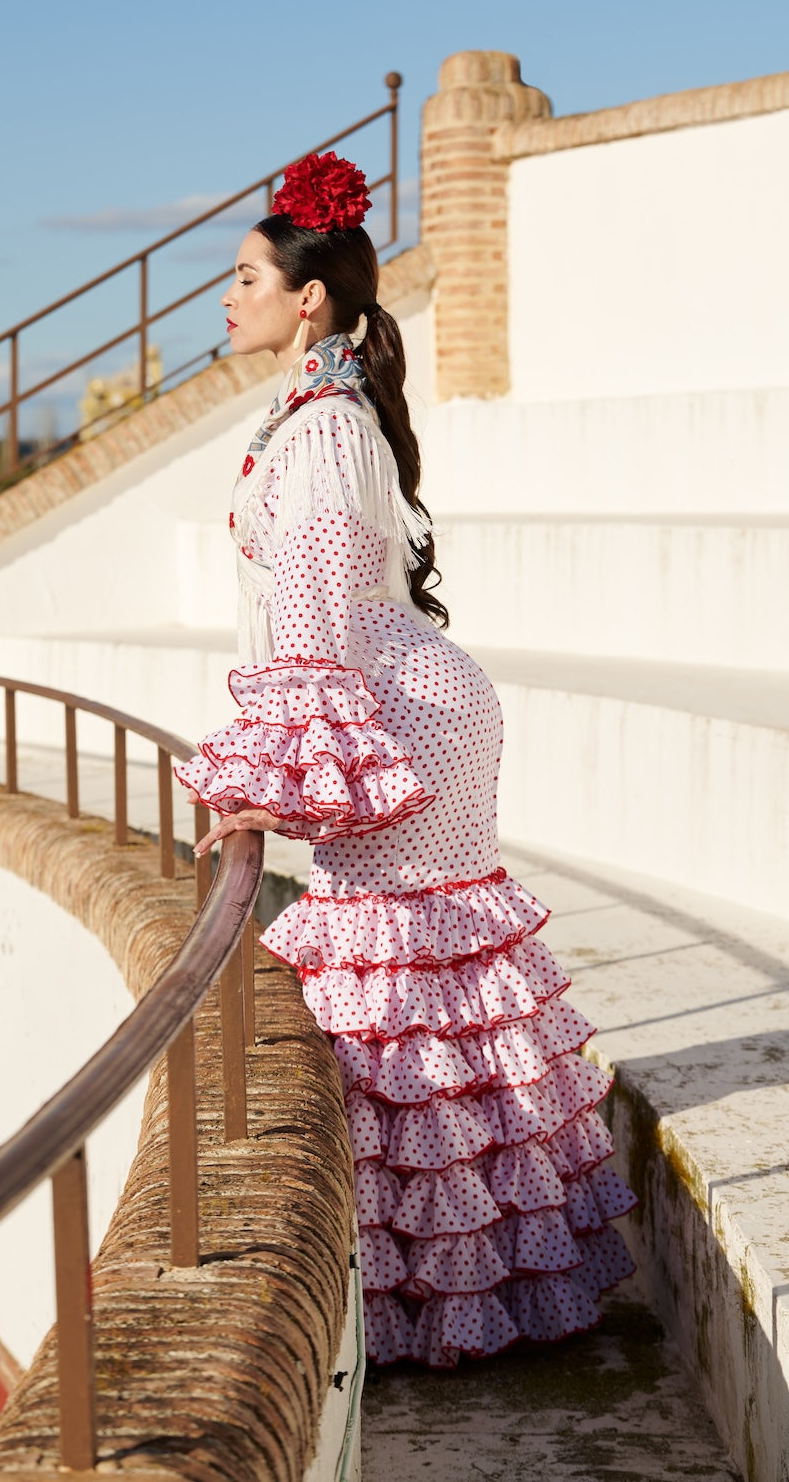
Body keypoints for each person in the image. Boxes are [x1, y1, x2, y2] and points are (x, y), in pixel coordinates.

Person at [174, 151, 636, 1367]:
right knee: (429, 975)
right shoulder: (320, 414)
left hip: (394, 709)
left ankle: (422, 1306)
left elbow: (317, 613)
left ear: (308, 298)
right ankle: (473, 1289)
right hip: (412, 700)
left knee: (393, 985)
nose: (225, 296)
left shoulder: (324, 430)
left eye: (244, 277)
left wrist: (265, 787)